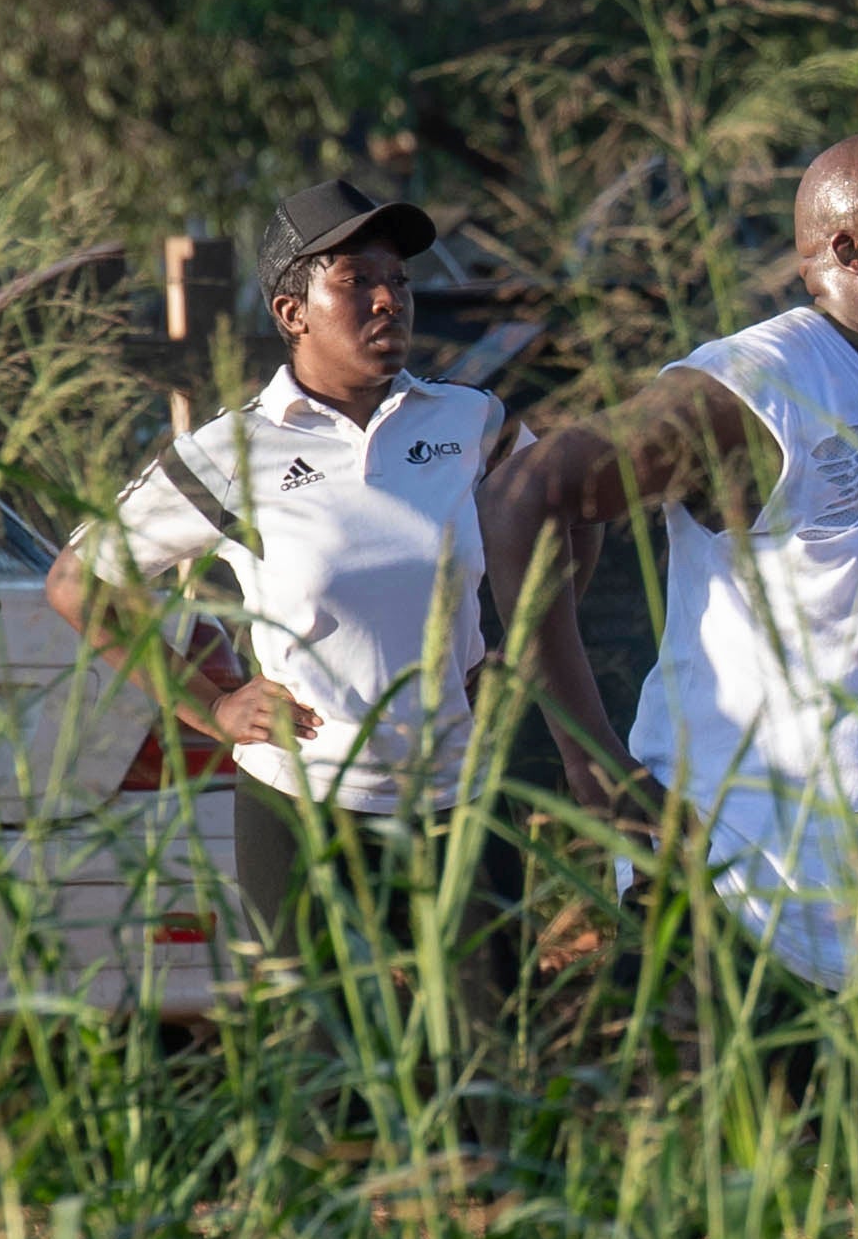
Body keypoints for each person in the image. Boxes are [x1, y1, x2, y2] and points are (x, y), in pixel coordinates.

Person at [482, 131, 858, 1038]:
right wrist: (592, 761)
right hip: (747, 907)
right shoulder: (760, 388)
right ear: (849, 251)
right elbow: (528, 495)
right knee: (756, 1178)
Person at [45, 179, 519, 1052]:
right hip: (303, 810)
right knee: (325, 1083)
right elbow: (79, 582)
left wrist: (523, 642)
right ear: (292, 311)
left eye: (401, 281)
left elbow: (560, 508)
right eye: (357, 280)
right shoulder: (231, 454)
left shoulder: (469, 421)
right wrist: (212, 706)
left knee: (490, 1080)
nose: (388, 299)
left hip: (460, 801)